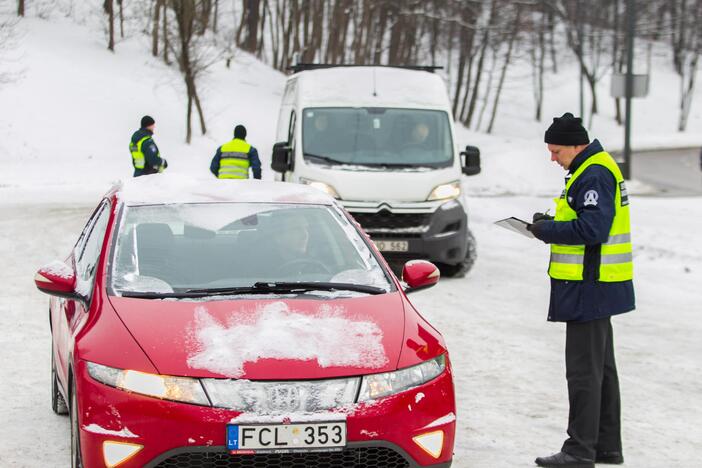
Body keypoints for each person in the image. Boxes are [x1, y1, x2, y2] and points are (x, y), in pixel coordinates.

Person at [528, 113, 635, 468]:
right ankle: (605, 446)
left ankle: (578, 450)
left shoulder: (594, 173)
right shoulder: (592, 168)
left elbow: (592, 229)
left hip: (590, 285)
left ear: (577, 145)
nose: (552, 158)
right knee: (601, 369)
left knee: (584, 372)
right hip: (597, 285)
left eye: (556, 150)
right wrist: (551, 223)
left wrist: (546, 230)